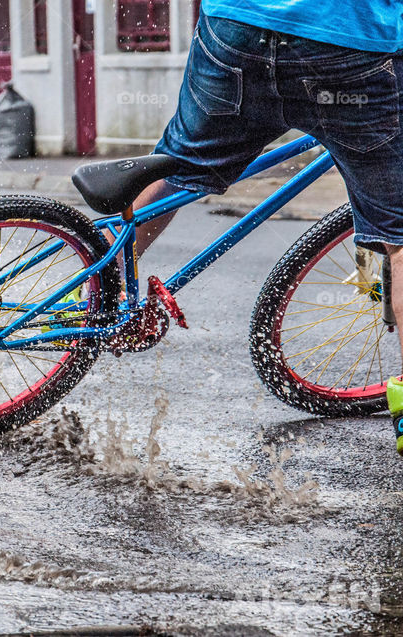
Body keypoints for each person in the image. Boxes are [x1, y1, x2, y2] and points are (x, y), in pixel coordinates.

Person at [129, 1, 403, 454]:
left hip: (236, 27)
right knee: (398, 236)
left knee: (177, 168)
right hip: (349, 40)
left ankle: (99, 287)